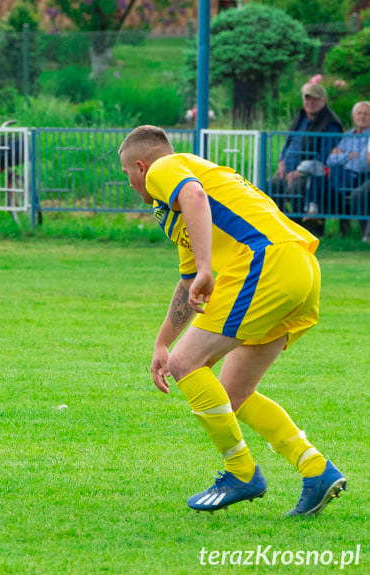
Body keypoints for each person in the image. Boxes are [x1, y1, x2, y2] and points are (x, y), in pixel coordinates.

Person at [118, 125, 346, 516]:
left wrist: (208, 268)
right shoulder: (181, 207)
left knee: (188, 364)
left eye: (127, 175)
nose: (132, 184)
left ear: (140, 166)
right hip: (300, 267)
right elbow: (190, 281)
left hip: (266, 261)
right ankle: (316, 469)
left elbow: (193, 196)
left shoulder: (165, 170)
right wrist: (162, 343)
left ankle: (240, 471)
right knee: (232, 393)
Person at [268, 83, 343, 223]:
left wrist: (298, 172)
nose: (310, 102)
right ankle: (281, 224)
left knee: (294, 190)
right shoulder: (300, 116)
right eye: (307, 98)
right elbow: (288, 142)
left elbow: (325, 156)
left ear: (324, 100)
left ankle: (299, 228)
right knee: (268, 187)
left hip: (310, 175)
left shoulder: (331, 123)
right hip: (287, 172)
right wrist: (281, 161)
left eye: (315, 99)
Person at [325, 101, 370, 235]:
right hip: (344, 176)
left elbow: (362, 164)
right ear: (353, 116)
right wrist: (349, 155)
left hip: (362, 177)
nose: (362, 117)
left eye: (366, 114)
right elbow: (330, 160)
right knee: (323, 182)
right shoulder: (347, 135)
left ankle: (362, 236)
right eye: (359, 113)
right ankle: (340, 232)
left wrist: (341, 155)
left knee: (351, 190)